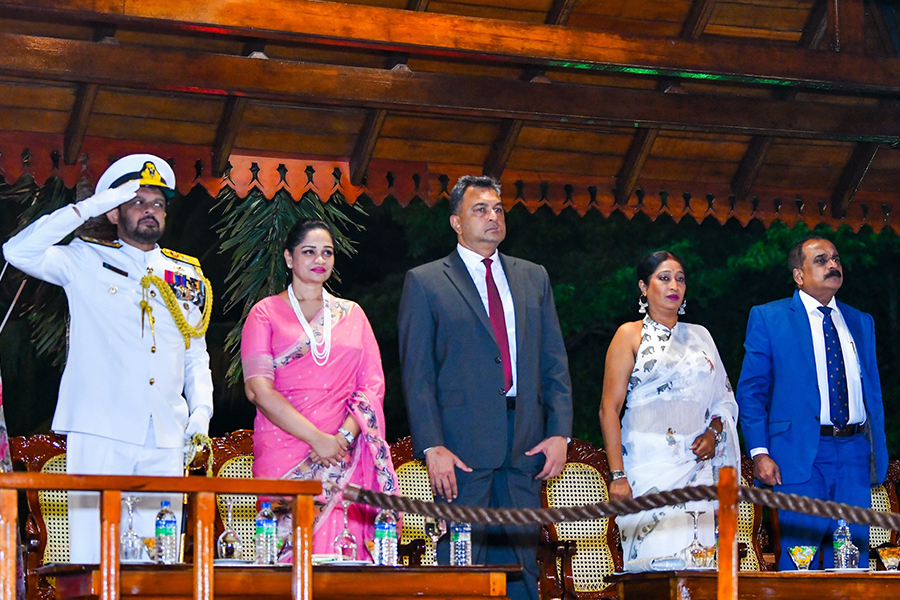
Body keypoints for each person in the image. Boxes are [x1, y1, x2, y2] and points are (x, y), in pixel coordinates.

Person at [2, 154, 214, 563]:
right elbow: (18, 251)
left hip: (164, 433)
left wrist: (201, 412)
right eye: (137, 202)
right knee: (93, 555)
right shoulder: (84, 259)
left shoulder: (186, 274)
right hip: (101, 428)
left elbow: (194, 352)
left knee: (158, 561)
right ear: (114, 212)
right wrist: (89, 207)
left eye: (157, 203)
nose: (150, 210)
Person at [398, 175, 572, 600]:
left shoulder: (533, 277)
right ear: (456, 222)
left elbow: (553, 360)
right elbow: (418, 374)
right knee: (461, 568)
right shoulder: (426, 281)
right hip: (461, 447)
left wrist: (560, 433)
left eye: (498, 209)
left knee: (523, 568)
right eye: (480, 209)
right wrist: (432, 445)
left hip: (526, 443)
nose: (493, 216)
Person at [240, 219, 397, 561]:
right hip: (284, 449)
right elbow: (258, 390)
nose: (319, 259)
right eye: (309, 251)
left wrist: (341, 438)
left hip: (342, 452)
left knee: (342, 555)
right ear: (289, 258)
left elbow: (371, 386)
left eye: (327, 252)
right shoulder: (264, 313)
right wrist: (317, 439)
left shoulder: (353, 314)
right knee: (287, 562)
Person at [737, 235, 888, 570]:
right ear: (798, 275)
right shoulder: (770, 317)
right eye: (821, 260)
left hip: (854, 452)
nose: (833, 265)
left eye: (836, 259)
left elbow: (872, 393)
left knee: (852, 561)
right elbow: (752, 392)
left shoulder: (860, 321)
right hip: (798, 453)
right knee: (800, 559)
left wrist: (876, 448)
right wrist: (759, 452)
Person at [598, 251, 739, 571]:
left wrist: (713, 433)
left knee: (698, 561)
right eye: (664, 278)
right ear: (643, 287)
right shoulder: (629, 334)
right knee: (653, 562)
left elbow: (724, 399)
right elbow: (609, 409)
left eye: (680, 278)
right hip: (648, 465)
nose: (674, 285)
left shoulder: (701, 336)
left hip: (697, 465)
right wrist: (617, 476)